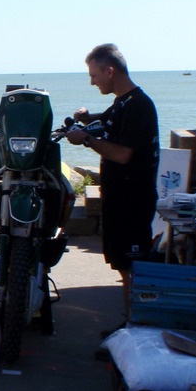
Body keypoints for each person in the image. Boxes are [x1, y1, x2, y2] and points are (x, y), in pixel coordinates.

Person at [65, 43, 159, 316]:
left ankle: (135, 328)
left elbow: (122, 154)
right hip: (120, 201)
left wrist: (86, 140)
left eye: (94, 75)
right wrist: (87, 118)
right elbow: (110, 120)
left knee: (131, 268)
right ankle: (131, 323)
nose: (92, 81)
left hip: (133, 203)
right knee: (122, 265)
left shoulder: (139, 106)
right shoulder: (123, 103)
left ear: (109, 70)